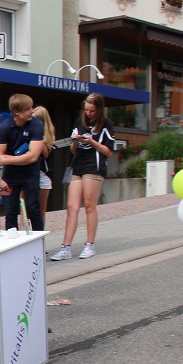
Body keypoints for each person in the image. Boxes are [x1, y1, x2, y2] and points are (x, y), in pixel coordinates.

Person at [51, 93, 115, 261]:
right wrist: (75, 141)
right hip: (78, 166)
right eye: (86, 110)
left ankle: (90, 244)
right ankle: (66, 247)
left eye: (92, 111)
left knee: (89, 205)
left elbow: (108, 151)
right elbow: (73, 150)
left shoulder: (106, 125)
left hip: (94, 167)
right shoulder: (80, 122)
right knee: (71, 206)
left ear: (99, 110)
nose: (88, 113)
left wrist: (91, 141)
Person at [0, 94, 45, 231]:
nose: (32, 111)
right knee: (10, 211)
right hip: (11, 174)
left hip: (31, 173)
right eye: (28, 109)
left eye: (31, 107)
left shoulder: (36, 125)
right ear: (17, 112)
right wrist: (16, 159)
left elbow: (33, 156)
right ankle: (12, 244)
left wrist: (8, 159)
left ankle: (39, 245)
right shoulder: (5, 127)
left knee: (33, 208)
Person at [33, 106, 56, 219]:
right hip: (28, 173)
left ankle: (40, 233)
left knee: (41, 209)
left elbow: (46, 154)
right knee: (26, 208)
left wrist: (38, 136)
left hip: (43, 173)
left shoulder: (46, 136)